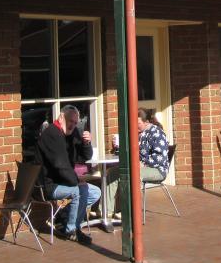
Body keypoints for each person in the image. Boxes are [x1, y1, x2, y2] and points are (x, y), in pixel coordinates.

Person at [35, 104, 101, 244]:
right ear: (61, 117)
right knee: (79, 190)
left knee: (95, 192)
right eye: (70, 121)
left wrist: (86, 143)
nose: (73, 125)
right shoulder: (52, 134)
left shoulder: (71, 133)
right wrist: (76, 181)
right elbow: (60, 166)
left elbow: (85, 157)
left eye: (76, 122)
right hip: (49, 185)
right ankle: (71, 230)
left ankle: (63, 217)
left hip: (64, 181)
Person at [106, 108, 170, 215]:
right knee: (113, 172)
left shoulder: (157, 133)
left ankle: (127, 212)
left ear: (146, 122)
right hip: (138, 166)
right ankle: (106, 210)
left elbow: (160, 157)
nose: (135, 125)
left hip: (157, 169)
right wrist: (119, 145)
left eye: (138, 123)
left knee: (132, 174)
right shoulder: (138, 133)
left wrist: (142, 163)